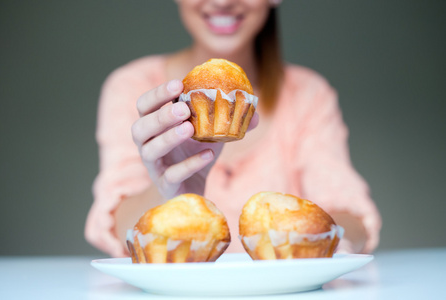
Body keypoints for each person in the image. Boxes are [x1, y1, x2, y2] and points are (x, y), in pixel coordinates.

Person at [85, 0, 381, 258]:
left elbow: (350, 217)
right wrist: (167, 191)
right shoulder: (132, 87)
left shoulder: (308, 94)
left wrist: (324, 242)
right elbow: (119, 225)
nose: (223, 1)